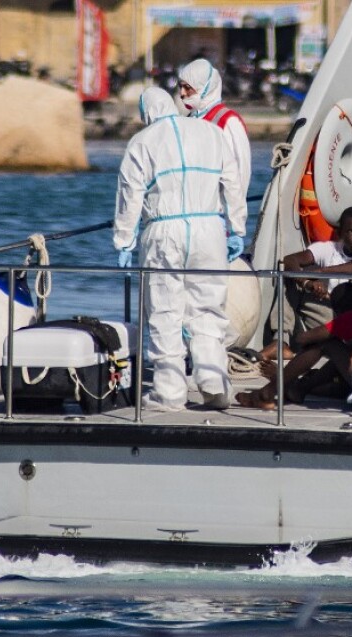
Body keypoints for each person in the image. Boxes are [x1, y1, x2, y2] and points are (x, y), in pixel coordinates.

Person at [113, 87, 246, 411]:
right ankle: (214, 383)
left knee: (165, 311)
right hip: (210, 229)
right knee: (208, 309)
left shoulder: (143, 141)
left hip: (164, 230)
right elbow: (233, 183)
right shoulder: (211, 133)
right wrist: (237, 228)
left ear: (147, 113)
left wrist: (124, 240)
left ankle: (169, 391)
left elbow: (130, 195)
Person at [238, 283, 352, 415]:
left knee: (327, 344)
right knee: (350, 351)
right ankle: (298, 388)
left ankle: (268, 392)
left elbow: (303, 338)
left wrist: (333, 334)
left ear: (338, 311)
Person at [276, 206, 352, 356]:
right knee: (289, 279)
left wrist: (321, 272)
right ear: (339, 232)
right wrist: (308, 284)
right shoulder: (328, 249)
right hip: (329, 315)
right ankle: (279, 342)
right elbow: (289, 260)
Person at [179, 58, 252, 206]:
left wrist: (235, 210)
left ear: (205, 87)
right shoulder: (188, 120)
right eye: (180, 87)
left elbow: (241, 171)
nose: (182, 93)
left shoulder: (228, 121)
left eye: (187, 88)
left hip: (217, 212)